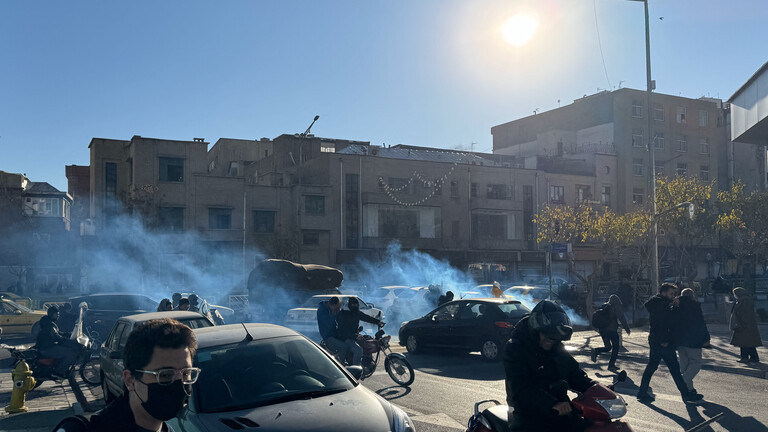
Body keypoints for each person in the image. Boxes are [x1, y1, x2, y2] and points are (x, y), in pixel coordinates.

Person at [53, 318, 200, 432]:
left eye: (186, 374)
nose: (179, 384)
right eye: (165, 375)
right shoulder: (82, 430)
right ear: (130, 380)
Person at [504, 301, 595, 432]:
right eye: (547, 337)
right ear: (536, 330)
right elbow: (521, 388)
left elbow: (573, 373)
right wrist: (552, 404)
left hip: (559, 410)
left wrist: (594, 387)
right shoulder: (516, 348)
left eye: (554, 339)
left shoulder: (555, 347)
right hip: (527, 413)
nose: (550, 341)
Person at [637, 283, 700, 403]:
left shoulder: (659, 303)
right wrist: (664, 341)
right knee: (674, 369)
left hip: (656, 341)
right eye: (671, 293)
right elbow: (662, 324)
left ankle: (642, 392)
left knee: (653, 367)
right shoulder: (662, 305)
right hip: (662, 342)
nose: (673, 296)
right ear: (664, 292)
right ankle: (686, 394)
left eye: (675, 294)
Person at [673, 288, 711, 397]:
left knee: (684, 365)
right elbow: (700, 323)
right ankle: (683, 383)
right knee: (696, 363)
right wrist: (706, 337)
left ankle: (689, 390)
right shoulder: (694, 306)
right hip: (693, 339)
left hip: (680, 340)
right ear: (692, 295)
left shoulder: (676, 305)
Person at [335, 297, 384, 366]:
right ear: (350, 305)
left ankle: (367, 362)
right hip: (345, 338)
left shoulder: (355, 312)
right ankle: (356, 370)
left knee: (367, 341)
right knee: (358, 351)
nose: (356, 306)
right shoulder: (343, 314)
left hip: (353, 336)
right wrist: (356, 336)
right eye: (354, 305)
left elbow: (366, 317)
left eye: (356, 305)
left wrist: (378, 322)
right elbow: (344, 329)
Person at [36, 305, 81, 378]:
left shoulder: (48, 322)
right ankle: (58, 372)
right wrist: (69, 340)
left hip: (47, 346)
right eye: (57, 314)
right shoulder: (49, 325)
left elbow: (58, 333)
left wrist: (69, 334)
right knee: (70, 353)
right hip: (47, 348)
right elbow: (57, 337)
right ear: (51, 314)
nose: (58, 316)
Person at [590, 294, 630, 370]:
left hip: (603, 331)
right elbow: (621, 317)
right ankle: (611, 365)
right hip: (611, 331)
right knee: (615, 347)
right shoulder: (615, 307)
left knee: (608, 347)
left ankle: (596, 350)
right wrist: (627, 328)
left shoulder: (604, 306)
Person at [730, 287, 762, 364]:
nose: (734, 295)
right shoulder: (744, 300)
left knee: (743, 342)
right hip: (746, 325)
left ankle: (744, 358)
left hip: (744, 325)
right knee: (749, 342)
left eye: (735, 294)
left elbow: (745, 314)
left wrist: (741, 324)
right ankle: (754, 357)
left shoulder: (744, 301)